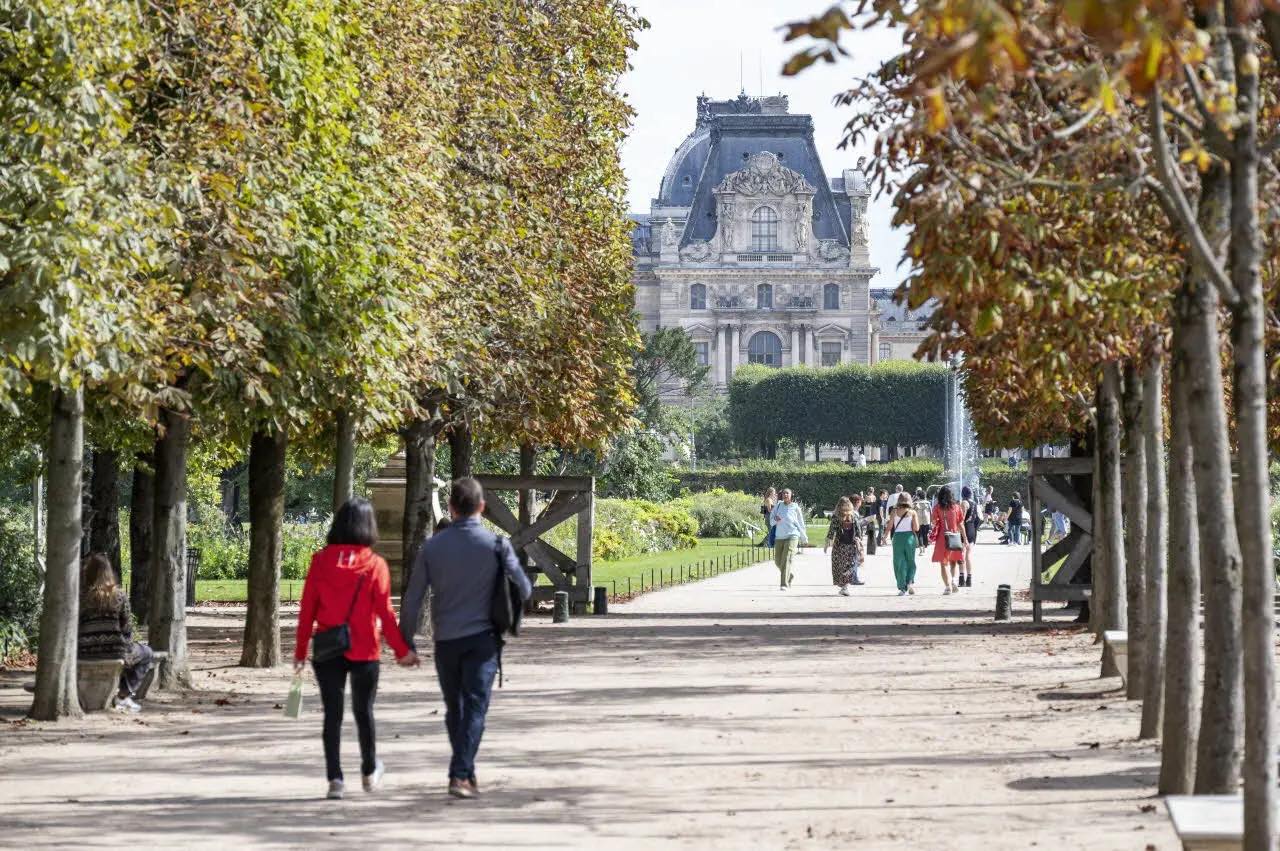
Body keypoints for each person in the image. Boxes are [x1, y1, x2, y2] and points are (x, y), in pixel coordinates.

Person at [400, 477, 533, 799]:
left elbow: (413, 597)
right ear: (482, 508)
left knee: (454, 708)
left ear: (451, 508)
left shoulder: (432, 547)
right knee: (475, 707)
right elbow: (525, 589)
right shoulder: (497, 545)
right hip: (483, 638)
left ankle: (464, 773)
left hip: (445, 639)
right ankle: (460, 774)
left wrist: (406, 641)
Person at [294, 498, 417, 800]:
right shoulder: (375, 565)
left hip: (327, 647)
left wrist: (299, 652)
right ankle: (369, 770)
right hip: (364, 648)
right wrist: (402, 651)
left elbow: (307, 610)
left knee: (332, 715)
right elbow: (386, 615)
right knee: (364, 712)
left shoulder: (320, 561)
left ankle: (335, 779)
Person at [78, 553, 154, 714]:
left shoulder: (80, 597)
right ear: (108, 572)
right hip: (115, 652)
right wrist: (124, 648)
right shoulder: (119, 596)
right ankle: (123, 694)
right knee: (146, 653)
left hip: (84, 651)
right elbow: (126, 629)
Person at [930, 486, 967, 594]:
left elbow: (934, 522)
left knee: (943, 563)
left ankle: (947, 586)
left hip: (942, 537)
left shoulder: (937, 508)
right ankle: (954, 581)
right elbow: (960, 524)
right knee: (953, 561)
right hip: (954, 536)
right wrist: (965, 538)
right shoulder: (956, 507)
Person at [769, 488, 808, 589]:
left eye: (787, 493)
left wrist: (804, 537)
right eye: (784, 493)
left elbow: (801, 524)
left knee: (787, 559)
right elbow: (771, 521)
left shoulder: (795, 507)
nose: (785, 495)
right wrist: (775, 520)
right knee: (778, 561)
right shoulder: (778, 506)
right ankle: (789, 576)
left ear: (791, 495)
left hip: (792, 536)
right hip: (779, 536)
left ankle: (784, 584)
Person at [824, 496, 863, 595]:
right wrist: (859, 541)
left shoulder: (836, 516)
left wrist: (826, 544)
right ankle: (845, 586)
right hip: (851, 545)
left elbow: (831, 532)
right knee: (850, 565)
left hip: (839, 545)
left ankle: (843, 586)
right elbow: (859, 531)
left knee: (839, 565)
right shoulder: (854, 516)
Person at [889, 493, 920, 596]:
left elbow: (889, 526)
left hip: (898, 538)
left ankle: (902, 587)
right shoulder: (912, 512)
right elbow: (916, 528)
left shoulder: (894, 511)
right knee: (910, 560)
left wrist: (884, 537)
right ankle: (910, 582)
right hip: (910, 538)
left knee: (899, 562)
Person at [960, 485, 980, 587]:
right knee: (968, 555)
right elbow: (978, 519)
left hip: (965, 530)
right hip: (972, 529)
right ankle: (969, 579)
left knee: (962, 555)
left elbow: (961, 520)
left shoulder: (964, 503)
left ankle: (961, 578)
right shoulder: (975, 503)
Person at [860, 488, 879, 556]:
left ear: (868, 491)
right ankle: (868, 532)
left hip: (868, 511)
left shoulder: (868, 497)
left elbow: (862, 501)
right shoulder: (874, 497)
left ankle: (861, 533)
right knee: (871, 524)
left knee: (861, 524)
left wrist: (862, 495)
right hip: (872, 511)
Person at [913, 488, 932, 555]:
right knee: (925, 534)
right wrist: (931, 522)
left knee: (919, 535)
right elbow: (931, 513)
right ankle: (924, 549)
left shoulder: (915, 503)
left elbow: (913, 513)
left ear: (918, 496)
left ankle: (921, 550)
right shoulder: (928, 503)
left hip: (918, 521)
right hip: (926, 521)